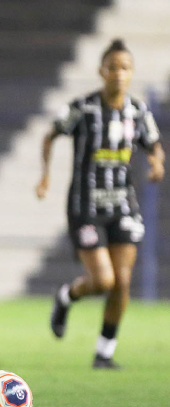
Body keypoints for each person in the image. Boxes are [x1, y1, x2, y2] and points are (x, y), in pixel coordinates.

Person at [36, 39, 165, 369]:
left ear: (131, 73)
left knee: (122, 282)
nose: (118, 74)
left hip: (123, 205)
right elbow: (50, 135)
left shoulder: (137, 112)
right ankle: (67, 296)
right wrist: (45, 176)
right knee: (103, 281)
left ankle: (104, 353)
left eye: (124, 68)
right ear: (101, 71)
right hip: (86, 207)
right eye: (113, 67)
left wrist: (156, 163)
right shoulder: (82, 108)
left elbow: (154, 144)